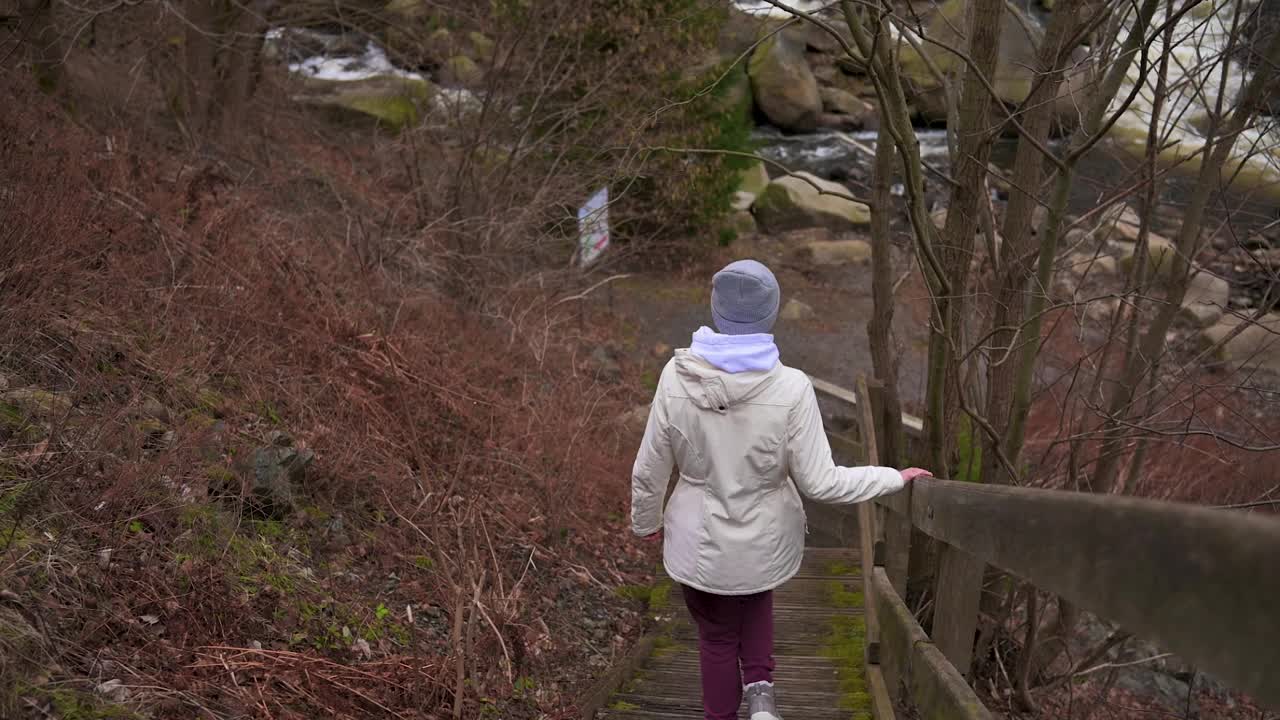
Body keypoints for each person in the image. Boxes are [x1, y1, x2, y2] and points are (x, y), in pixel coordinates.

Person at [630, 259, 931, 720]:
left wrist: (646, 522)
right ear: (770, 315)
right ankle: (762, 692)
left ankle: (723, 713)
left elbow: (651, 464)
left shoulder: (677, 377)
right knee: (755, 595)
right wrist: (892, 477)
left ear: (715, 308)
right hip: (764, 537)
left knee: (715, 636)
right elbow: (821, 480)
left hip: (699, 539)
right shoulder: (792, 388)